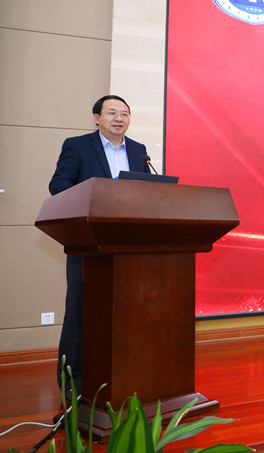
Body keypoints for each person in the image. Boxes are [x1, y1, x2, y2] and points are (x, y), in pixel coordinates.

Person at [48, 95, 150, 395]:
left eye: (125, 114)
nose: (119, 119)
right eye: (112, 113)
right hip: (88, 242)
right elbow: (58, 184)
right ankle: (74, 384)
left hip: (127, 245)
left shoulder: (139, 150)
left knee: (125, 314)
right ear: (97, 118)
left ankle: (123, 376)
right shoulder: (77, 146)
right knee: (80, 313)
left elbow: (147, 191)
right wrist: (93, 197)